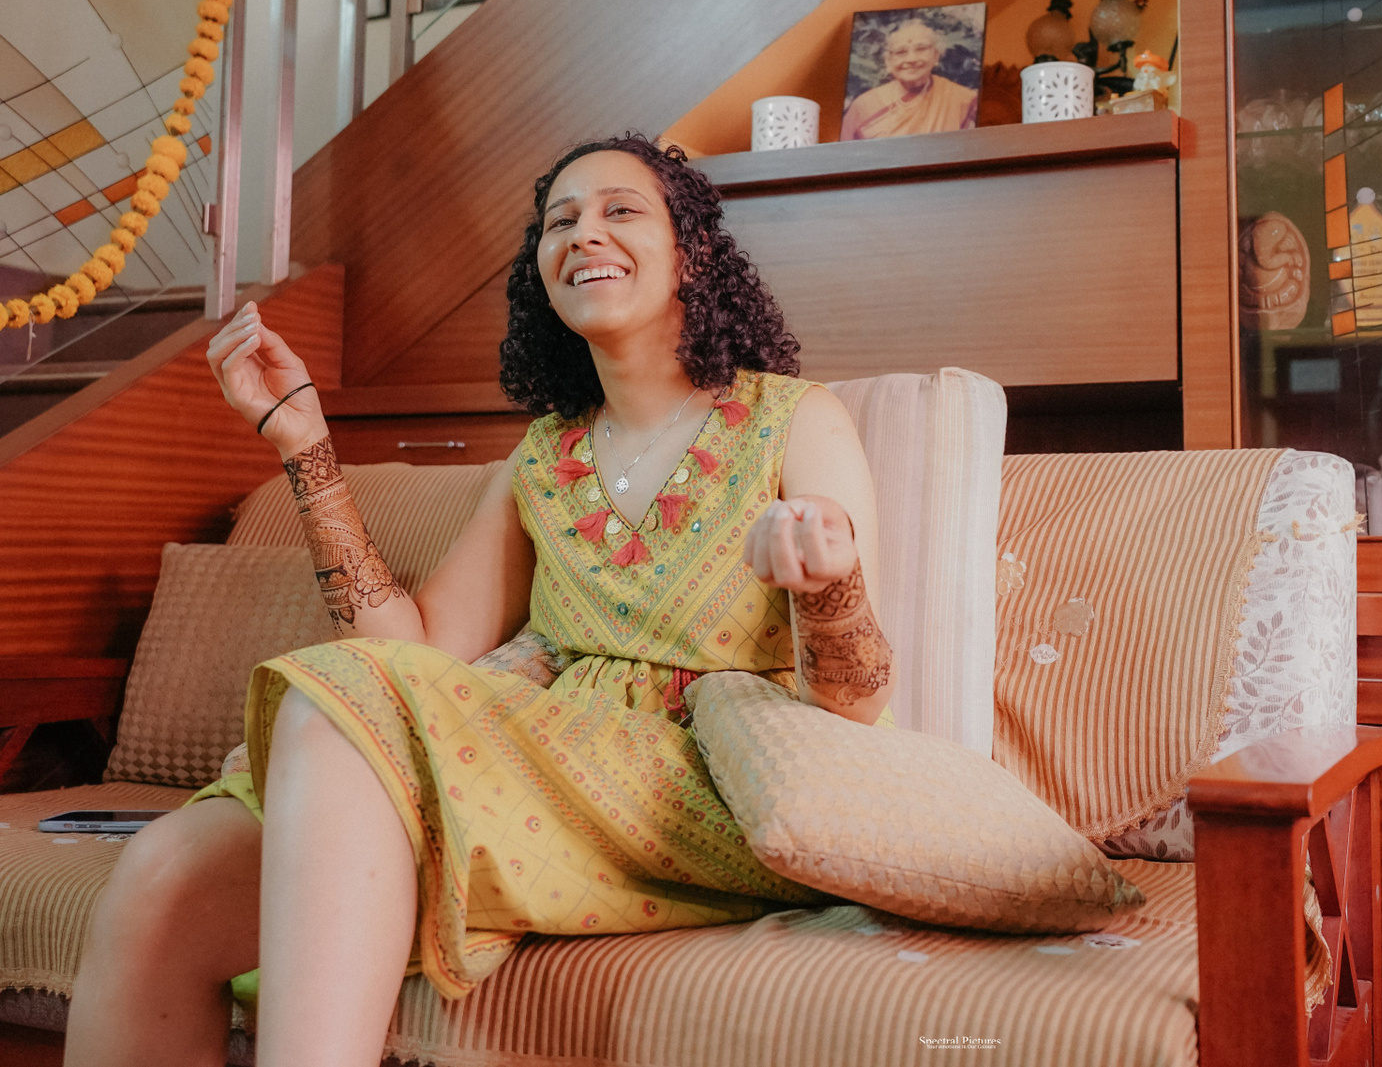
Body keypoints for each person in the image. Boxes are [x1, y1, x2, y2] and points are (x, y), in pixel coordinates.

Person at [64, 135, 894, 1067]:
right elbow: (412, 648)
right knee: (163, 876)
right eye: (559, 222)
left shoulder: (796, 417)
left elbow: (855, 707)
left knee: (333, 706)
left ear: (693, 251)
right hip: (545, 759)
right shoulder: (542, 456)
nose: (584, 234)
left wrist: (830, 585)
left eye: (621, 210)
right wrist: (305, 447)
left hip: (704, 780)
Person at [840, 17, 978, 139]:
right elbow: (845, 154)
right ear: (888, 62)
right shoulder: (864, 106)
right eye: (901, 52)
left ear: (936, 55)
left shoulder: (961, 99)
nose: (911, 59)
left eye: (921, 49)